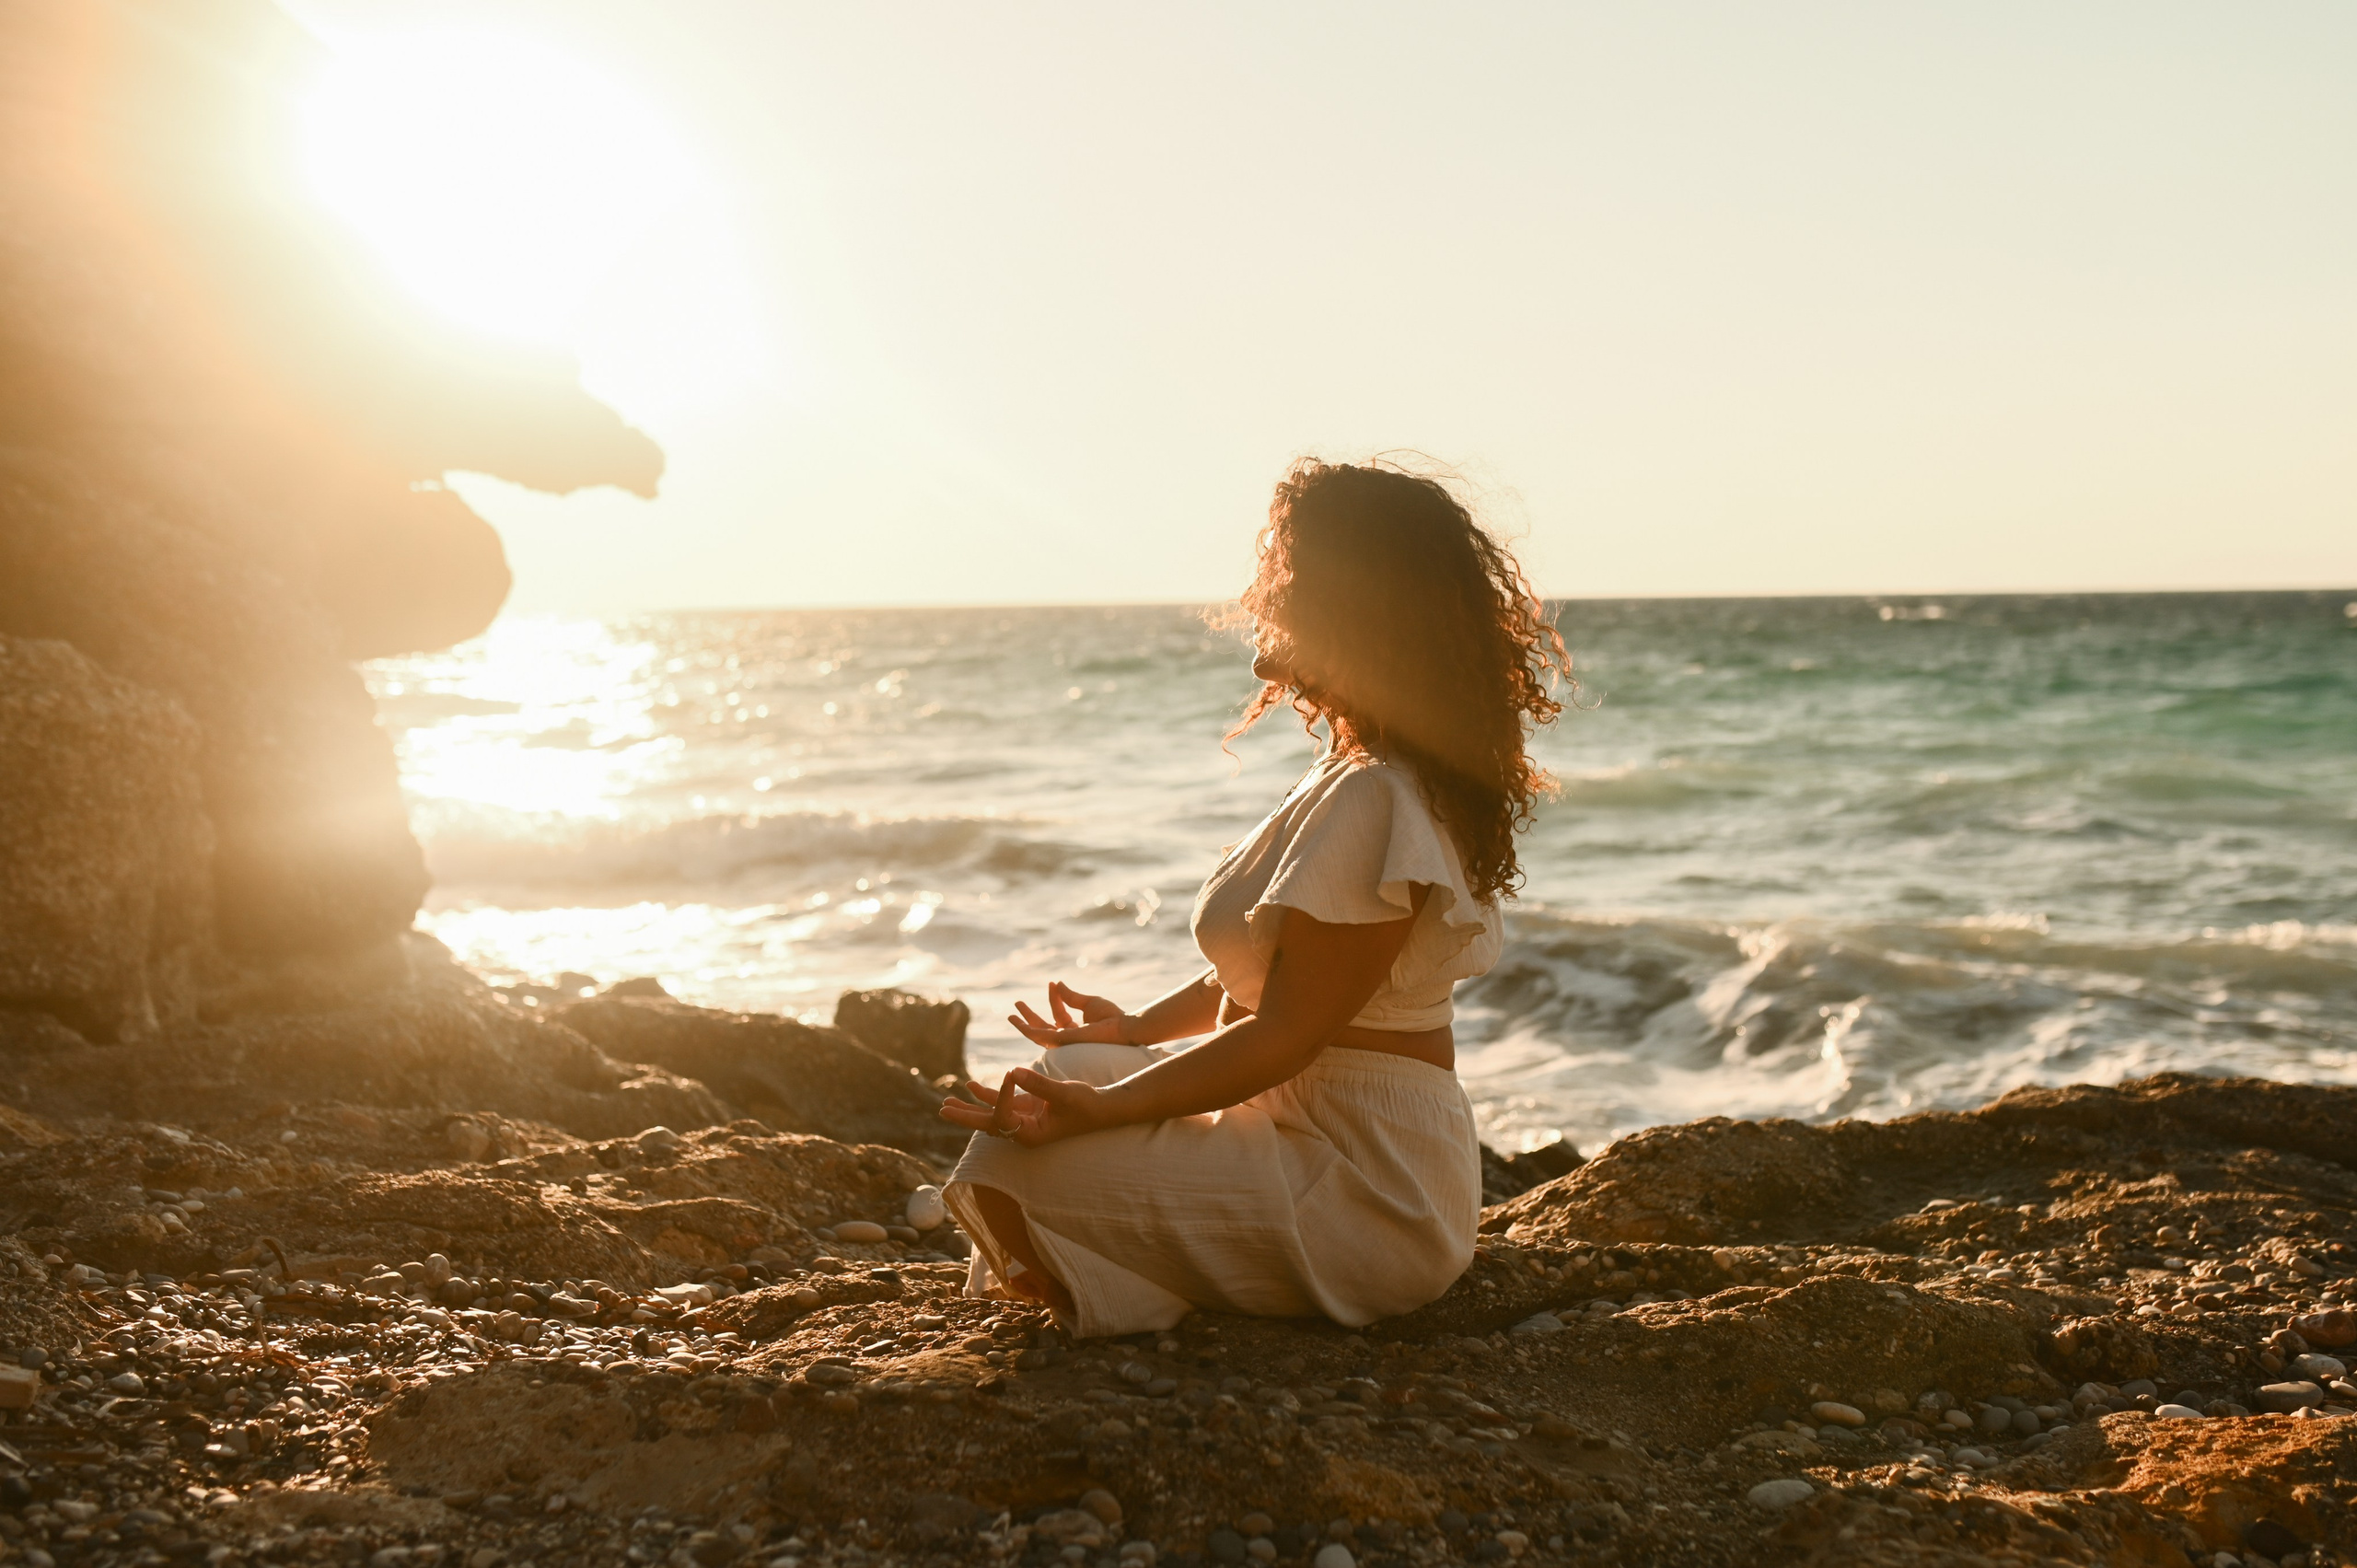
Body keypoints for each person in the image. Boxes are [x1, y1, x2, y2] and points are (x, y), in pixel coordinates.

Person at [938, 459, 1570, 1337]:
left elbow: (1286, 1031)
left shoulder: (1378, 796)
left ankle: (1151, 1288)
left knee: (1021, 1159)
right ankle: (1155, 1283)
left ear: (1350, 604)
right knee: (1064, 1078)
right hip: (1301, 1122)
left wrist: (1117, 1107)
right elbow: (1284, 973)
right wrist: (1130, 1033)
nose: (1261, 593)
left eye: (1285, 575)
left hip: (1371, 1187)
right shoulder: (1354, 774)